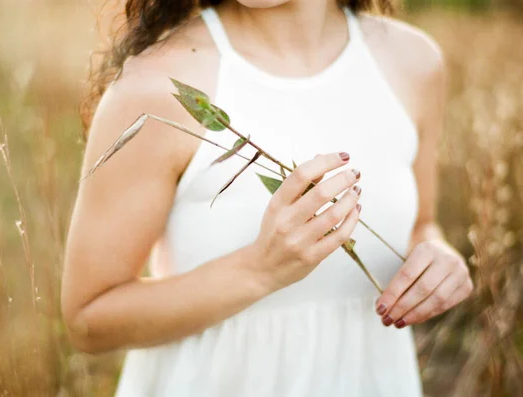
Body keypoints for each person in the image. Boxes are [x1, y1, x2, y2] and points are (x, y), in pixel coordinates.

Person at [61, 0, 473, 395]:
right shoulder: (155, 88)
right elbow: (89, 319)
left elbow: (422, 224)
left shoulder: (413, 63)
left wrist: (438, 257)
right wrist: (259, 270)